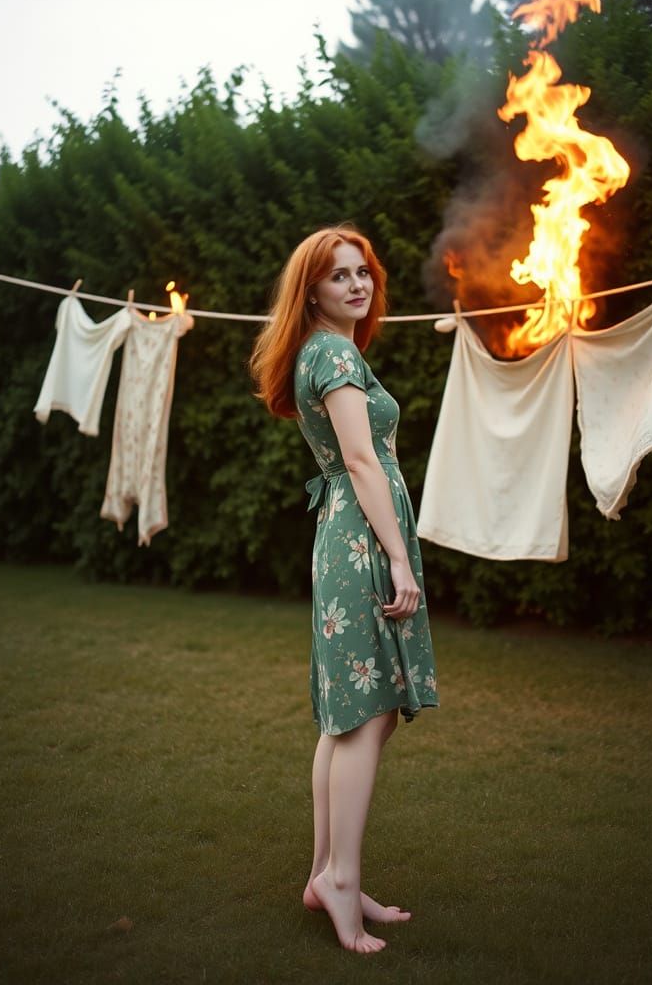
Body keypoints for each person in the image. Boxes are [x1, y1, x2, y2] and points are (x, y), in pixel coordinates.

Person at [249, 226, 439, 954]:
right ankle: (339, 883)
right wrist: (398, 559)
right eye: (339, 276)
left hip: (348, 535)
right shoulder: (331, 352)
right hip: (362, 540)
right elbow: (361, 460)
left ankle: (333, 874)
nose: (357, 284)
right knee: (364, 717)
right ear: (313, 291)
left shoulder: (329, 351)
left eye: (363, 272)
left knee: (356, 718)